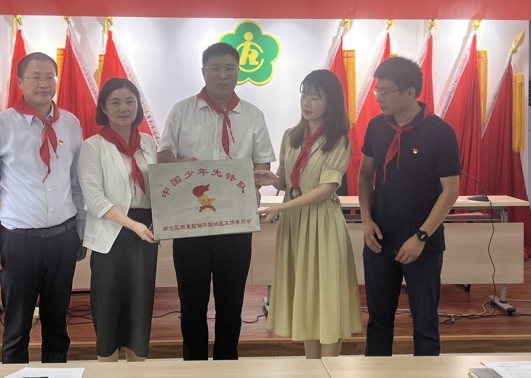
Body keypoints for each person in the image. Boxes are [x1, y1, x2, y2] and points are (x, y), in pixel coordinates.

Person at [157, 41, 276, 360]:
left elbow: (262, 163)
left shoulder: (252, 115)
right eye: (216, 68)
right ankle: (194, 366)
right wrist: (183, 164)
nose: (223, 75)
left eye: (230, 69)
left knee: (231, 304)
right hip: (190, 224)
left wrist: (254, 178)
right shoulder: (182, 110)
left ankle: (227, 365)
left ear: (238, 72)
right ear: (204, 72)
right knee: (191, 305)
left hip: (235, 224)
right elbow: (163, 155)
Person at [0, 52, 87, 364]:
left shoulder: (70, 124)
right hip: (19, 241)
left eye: (49, 77)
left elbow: (77, 183)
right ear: (20, 82)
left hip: (64, 238)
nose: (43, 83)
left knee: (57, 326)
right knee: (16, 328)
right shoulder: (0, 125)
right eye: (35, 77)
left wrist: (81, 231)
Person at [255, 69, 363, 358]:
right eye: (304, 95)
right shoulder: (291, 136)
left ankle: (329, 367)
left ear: (331, 102)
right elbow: (287, 182)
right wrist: (271, 180)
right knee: (305, 294)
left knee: (326, 294)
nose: (307, 102)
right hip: (295, 224)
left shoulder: (339, 140)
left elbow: (325, 190)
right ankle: (312, 365)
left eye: (315, 97)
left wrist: (280, 207)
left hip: (322, 224)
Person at [358, 56, 460, 356]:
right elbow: (364, 176)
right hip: (379, 240)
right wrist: (366, 220)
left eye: (385, 91)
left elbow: (450, 191)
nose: (379, 97)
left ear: (410, 92)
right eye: (377, 90)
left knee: (425, 322)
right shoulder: (377, 126)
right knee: (378, 320)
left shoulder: (440, 132)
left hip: (422, 243)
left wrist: (421, 236)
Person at [77, 78, 158, 362]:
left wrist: (162, 219)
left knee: (140, 304)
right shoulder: (92, 147)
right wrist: (132, 225)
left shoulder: (148, 143)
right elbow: (94, 199)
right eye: (115, 102)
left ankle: (137, 365)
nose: (124, 108)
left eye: (129, 102)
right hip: (112, 233)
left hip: (146, 232)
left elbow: (160, 187)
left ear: (138, 106)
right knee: (108, 304)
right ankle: (107, 366)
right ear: (103, 108)